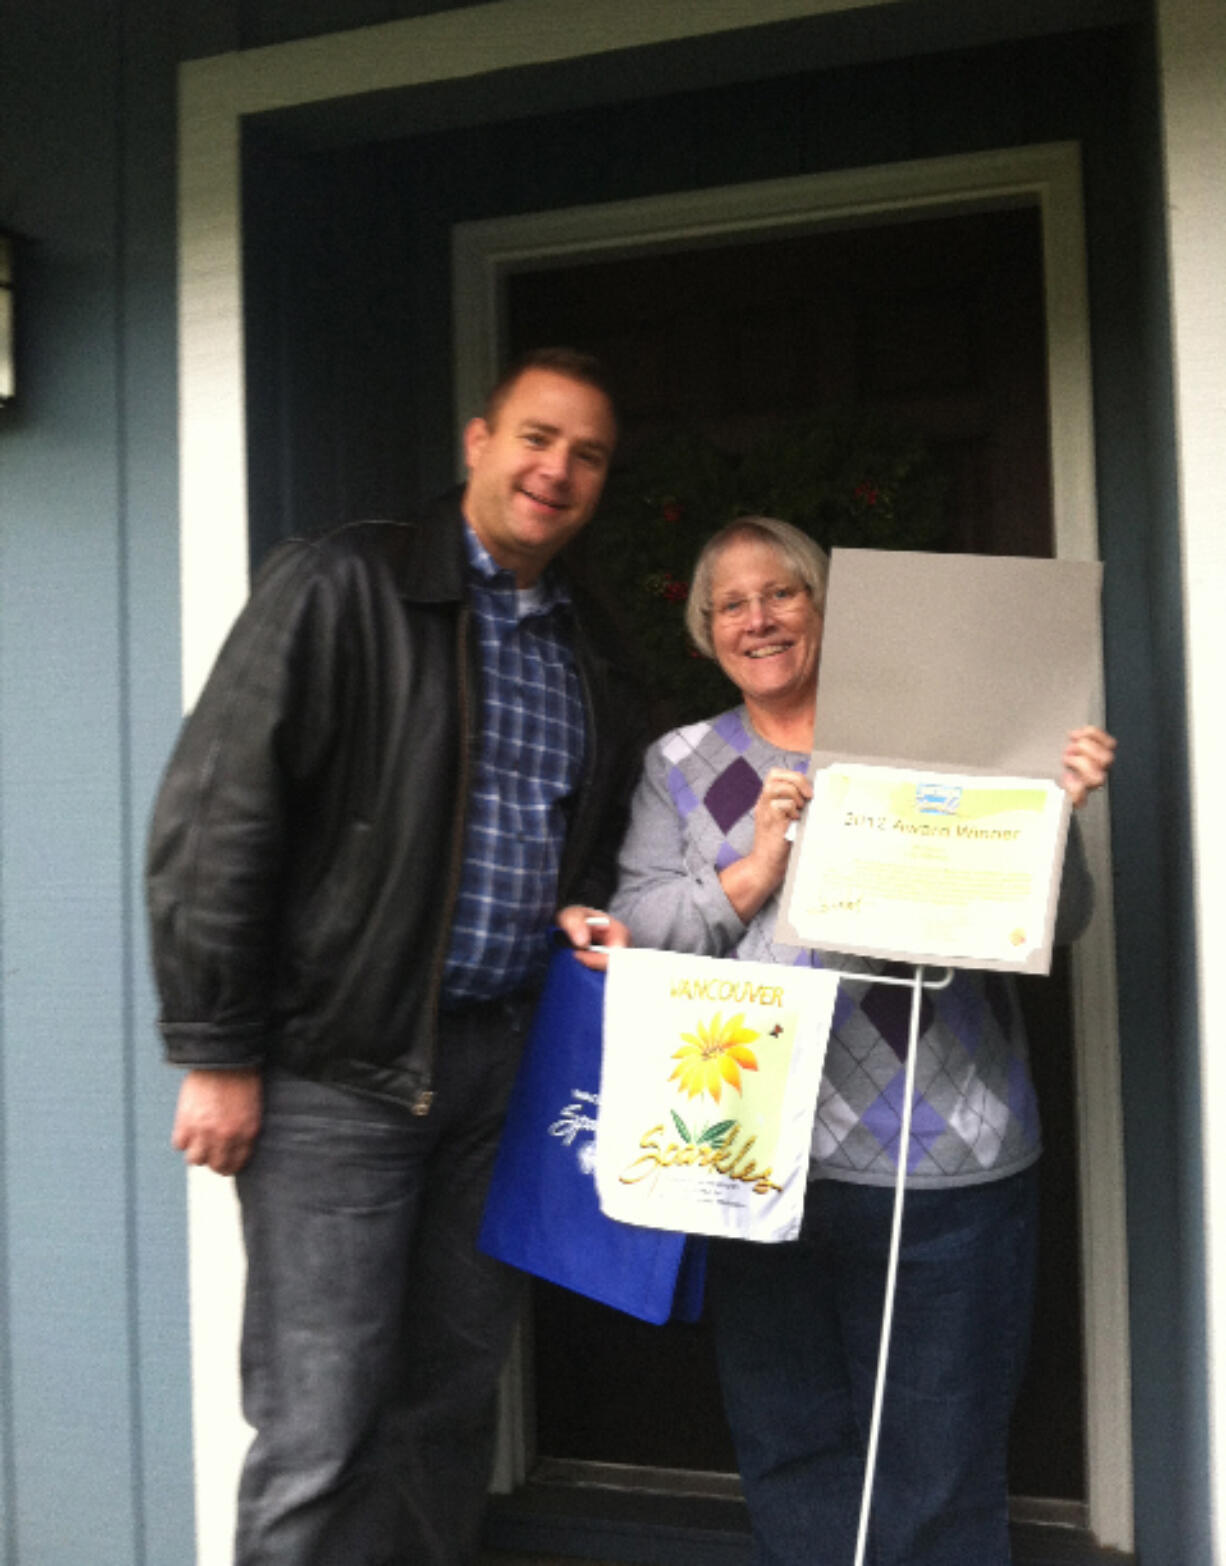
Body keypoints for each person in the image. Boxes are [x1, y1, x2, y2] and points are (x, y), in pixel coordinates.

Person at [146, 347, 639, 1566]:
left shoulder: (588, 647)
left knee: (444, 1410)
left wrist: (577, 904)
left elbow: (561, 836)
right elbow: (218, 816)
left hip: (499, 1077)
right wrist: (214, 1050)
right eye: (536, 438)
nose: (556, 470)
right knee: (321, 1427)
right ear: (477, 443)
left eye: (585, 455)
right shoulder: (341, 585)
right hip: (335, 1074)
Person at [609, 515, 1116, 1566]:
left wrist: (1044, 812)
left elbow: (1051, 924)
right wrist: (751, 868)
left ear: (826, 610)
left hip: (947, 1166)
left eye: (783, 591)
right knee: (791, 1451)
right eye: (732, 603)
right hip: (755, 1165)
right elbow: (639, 934)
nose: (759, 617)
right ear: (705, 632)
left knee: (940, 1467)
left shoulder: (938, 736)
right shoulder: (681, 762)